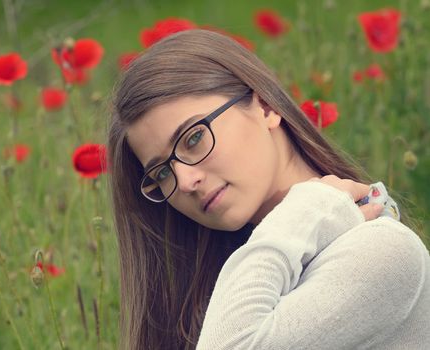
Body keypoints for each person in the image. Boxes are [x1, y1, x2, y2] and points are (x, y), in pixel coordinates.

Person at [107, 29, 430, 349]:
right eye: (162, 171)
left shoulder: (382, 250)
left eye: (194, 138)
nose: (186, 181)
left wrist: (306, 210)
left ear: (265, 107)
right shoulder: (232, 288)